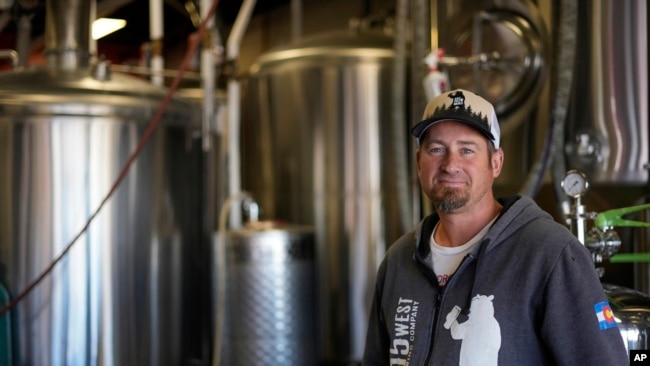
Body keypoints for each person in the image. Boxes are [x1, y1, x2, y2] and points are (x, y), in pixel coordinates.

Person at [362, 89, 628, 365]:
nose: (451, 165)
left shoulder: (549, 254)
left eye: (467, 150)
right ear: (419, 162)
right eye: (437, 149)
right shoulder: (399, 261)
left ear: (496, 162)